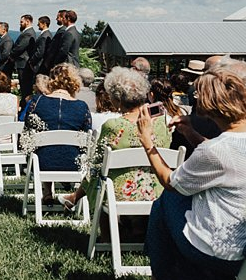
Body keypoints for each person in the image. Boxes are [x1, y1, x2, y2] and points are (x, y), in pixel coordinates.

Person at [128, 70, 246, 280]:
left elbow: (170, 181)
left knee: (165, 202)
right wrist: (191, 133)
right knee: (173, 205)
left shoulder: (216, 150)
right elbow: (228, 158)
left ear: (210, 106)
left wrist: (148, 142)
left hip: (233, 249)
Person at [58, 67, 171, 211]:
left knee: (97, 172)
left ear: (117, 99)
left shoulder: (113, 126)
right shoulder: (162, 122)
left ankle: (102, 228)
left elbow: (97, 163)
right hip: (158, 191)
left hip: (119, 194)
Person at [24, 63, 92, 175]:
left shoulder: (37, 101)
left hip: (41, 163)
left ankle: (47, 191)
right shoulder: (82, 106)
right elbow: (86, 134)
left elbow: (27, 129)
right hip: (74, 163)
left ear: (51, 80)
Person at [11, 15, 37, 99]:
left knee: (25, 87)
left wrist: (11, 54)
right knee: (23, 87)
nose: (20, 24)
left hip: (23, 63)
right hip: (22, 63)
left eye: (22, 22)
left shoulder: (28, 33)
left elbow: (20, 47)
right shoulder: (27, 32)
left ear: (28, 22)